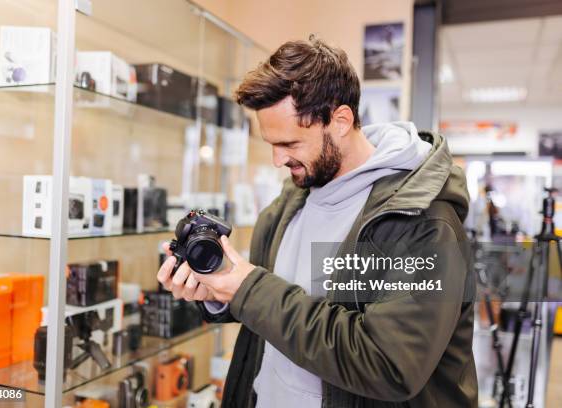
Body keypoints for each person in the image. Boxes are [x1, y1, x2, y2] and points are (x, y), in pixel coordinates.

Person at [158, 37, 477, 408]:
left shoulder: (426, 223)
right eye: (271, 144)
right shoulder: (287, 204)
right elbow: (273, 310)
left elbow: (388, 364)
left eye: (290, 144)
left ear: (340, 121)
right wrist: (219, 295)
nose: (278, 160)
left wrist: (247, 288)